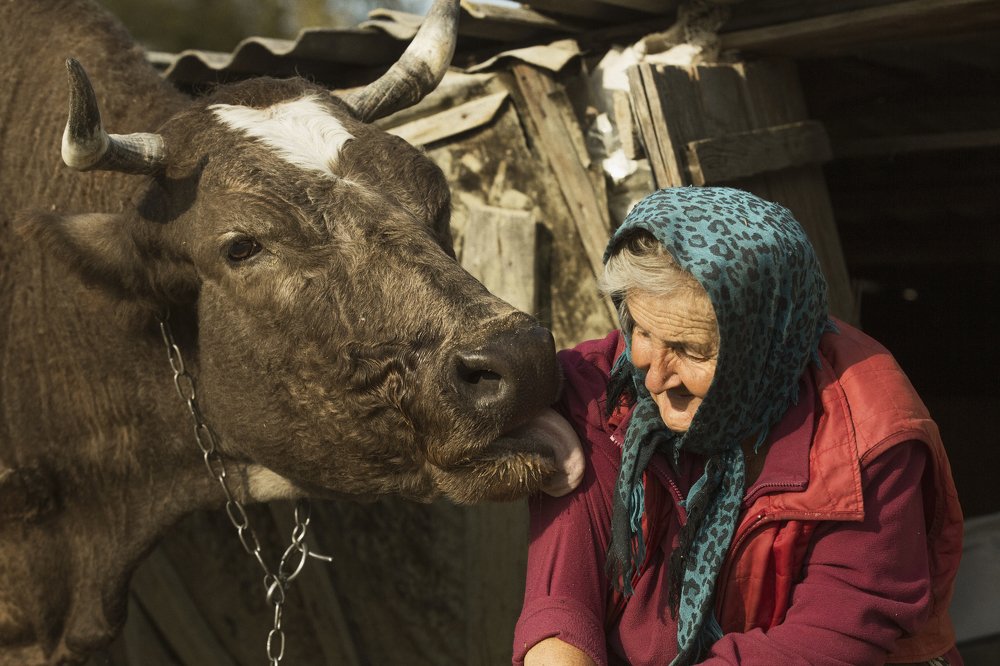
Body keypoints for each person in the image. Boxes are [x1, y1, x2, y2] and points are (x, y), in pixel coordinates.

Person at [513, 187, 963, 666]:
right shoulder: (599, 393)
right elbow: (560, 607)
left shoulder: (871, 439)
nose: (654, 374)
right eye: (642, 331)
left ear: (761, 349)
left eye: (689, 349)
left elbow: (830, 636)